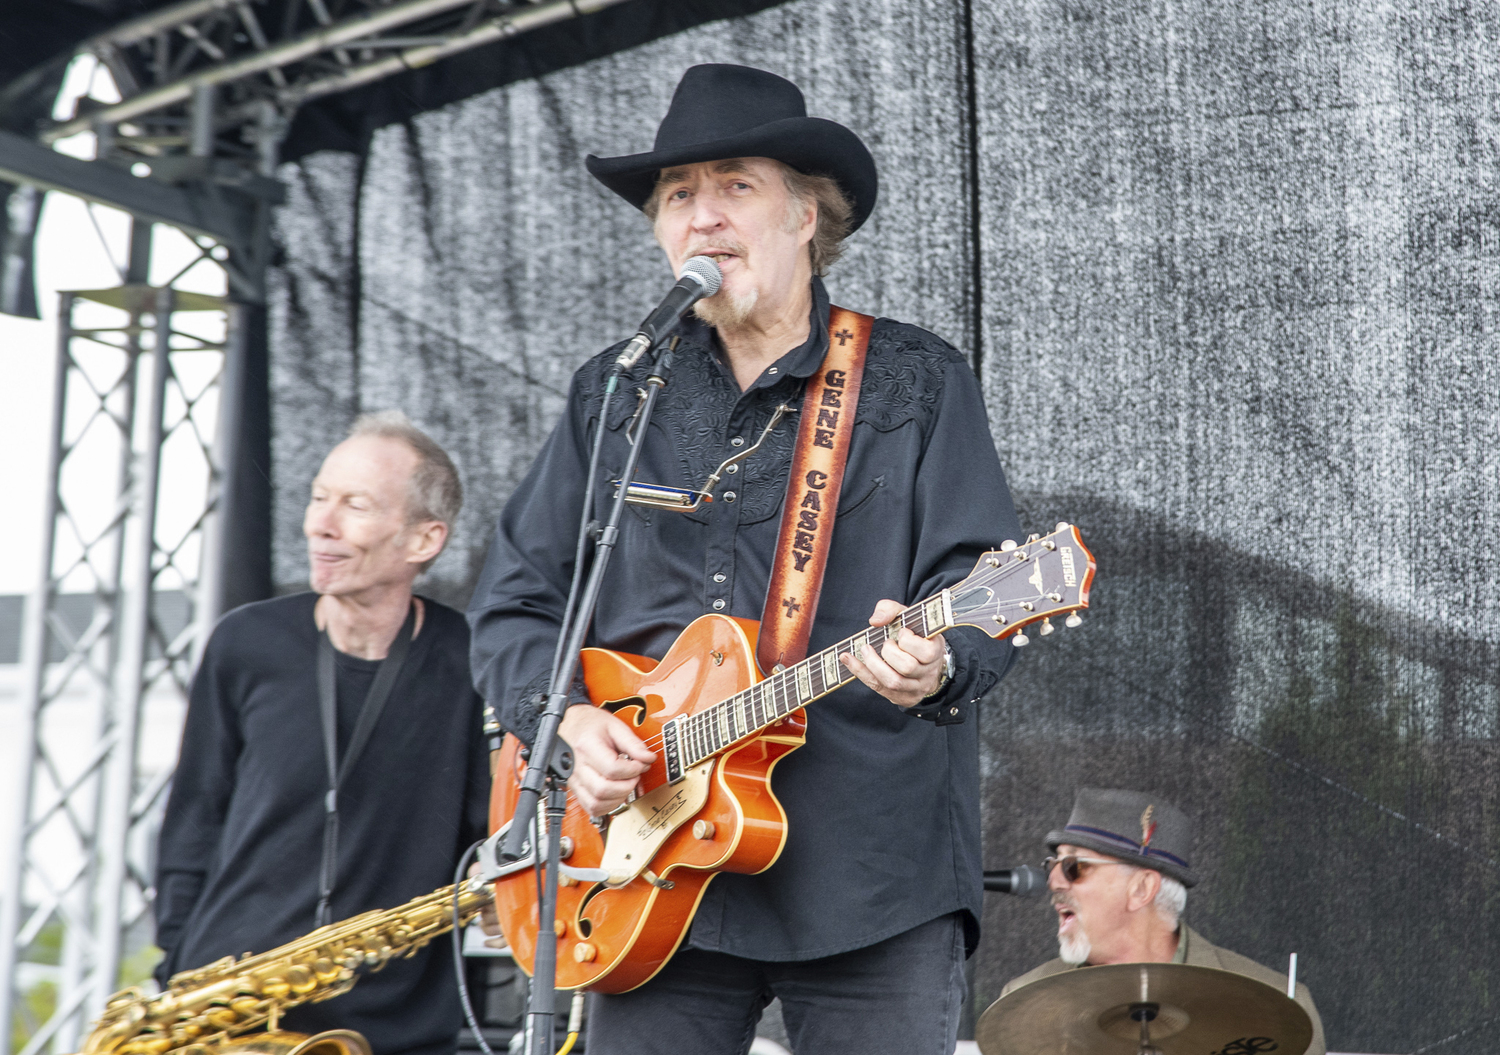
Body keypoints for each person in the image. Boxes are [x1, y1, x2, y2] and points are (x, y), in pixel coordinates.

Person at [467, 63, 1022, 1054]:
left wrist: (938, 658)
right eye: (679, 195)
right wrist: (575, 728)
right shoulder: (616, 393)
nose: (703, 216)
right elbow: (514, 602)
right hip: (643, 874)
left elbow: (977, 586)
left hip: (868, 878)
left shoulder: (914, 381)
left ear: (808, 215)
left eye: (735, 184)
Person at [154, 411, 490, 1055]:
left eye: (354, 506)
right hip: (225, 1008)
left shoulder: (474, 660)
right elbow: (193, 820)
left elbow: (490, 835)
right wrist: (178, 971)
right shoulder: (246, 642)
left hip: (395, 1025)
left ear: (424, 540)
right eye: (317, 498)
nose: (318, 525)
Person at [996, 788, 1326, 1055]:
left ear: (1142, 889)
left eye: (1073, 866)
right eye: (1052, 863)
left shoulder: (1282, 1008)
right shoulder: (1021, 1004)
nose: (1053, 880)